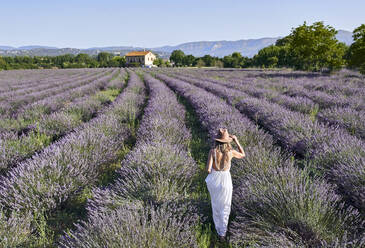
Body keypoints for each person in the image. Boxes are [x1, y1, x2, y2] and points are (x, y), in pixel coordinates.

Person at [205, 128, 245, 241]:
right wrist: (236, 141)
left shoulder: (212, 151)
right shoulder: (230, 152)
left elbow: (208, 169)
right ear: (228, 141)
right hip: (226, 179)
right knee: (225, 206)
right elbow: (243, 154)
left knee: (216, 205)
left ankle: (218, 230)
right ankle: (223, 233)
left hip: (215, 179)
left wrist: (214, 168)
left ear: (217, 141)